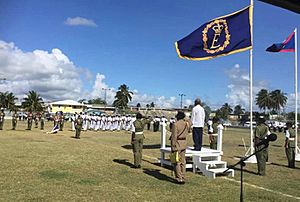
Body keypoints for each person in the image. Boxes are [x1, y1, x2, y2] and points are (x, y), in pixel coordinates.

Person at [170, 111, 191, 184]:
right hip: (184, 143)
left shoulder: (175, 125)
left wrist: (173, 145)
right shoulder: (186, 124)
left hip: (177, 143)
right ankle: (183, 176)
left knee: (176, 161)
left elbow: (174, 136)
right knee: (183, 161)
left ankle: (179, 178)